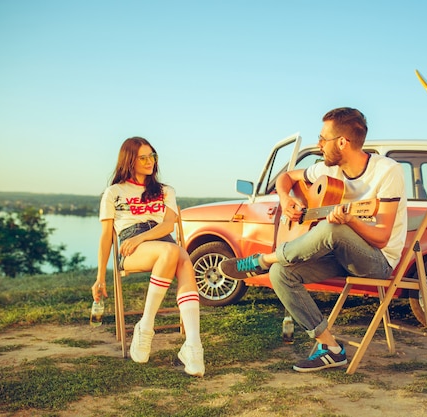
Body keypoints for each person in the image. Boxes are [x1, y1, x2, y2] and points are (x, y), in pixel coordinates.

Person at [218, 107, 407, 372]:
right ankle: (330, 348)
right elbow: (285, 177)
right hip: (339, 257)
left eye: (323, 138)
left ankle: (261, 260)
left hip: (377, 262)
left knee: (333, 230)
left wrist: (351, 220)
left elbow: (382, 237)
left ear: (342, 142)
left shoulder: (387, 171)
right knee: (280, 273)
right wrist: (286, 199)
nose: (319, 145)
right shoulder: (329, 172)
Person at [92, 136, 205, 377]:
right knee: (178, 253)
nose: (149, 161)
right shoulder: (114, 192)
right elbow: (105, 237)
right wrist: (100, 277)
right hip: (132, 249)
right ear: (129, 161)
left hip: (157, 241)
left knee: (180, 257)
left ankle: (193, 346)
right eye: (142, 157)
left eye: (151, 156)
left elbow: (167, 226)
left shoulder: (165, 191)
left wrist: (142, 238)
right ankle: (147, 327)